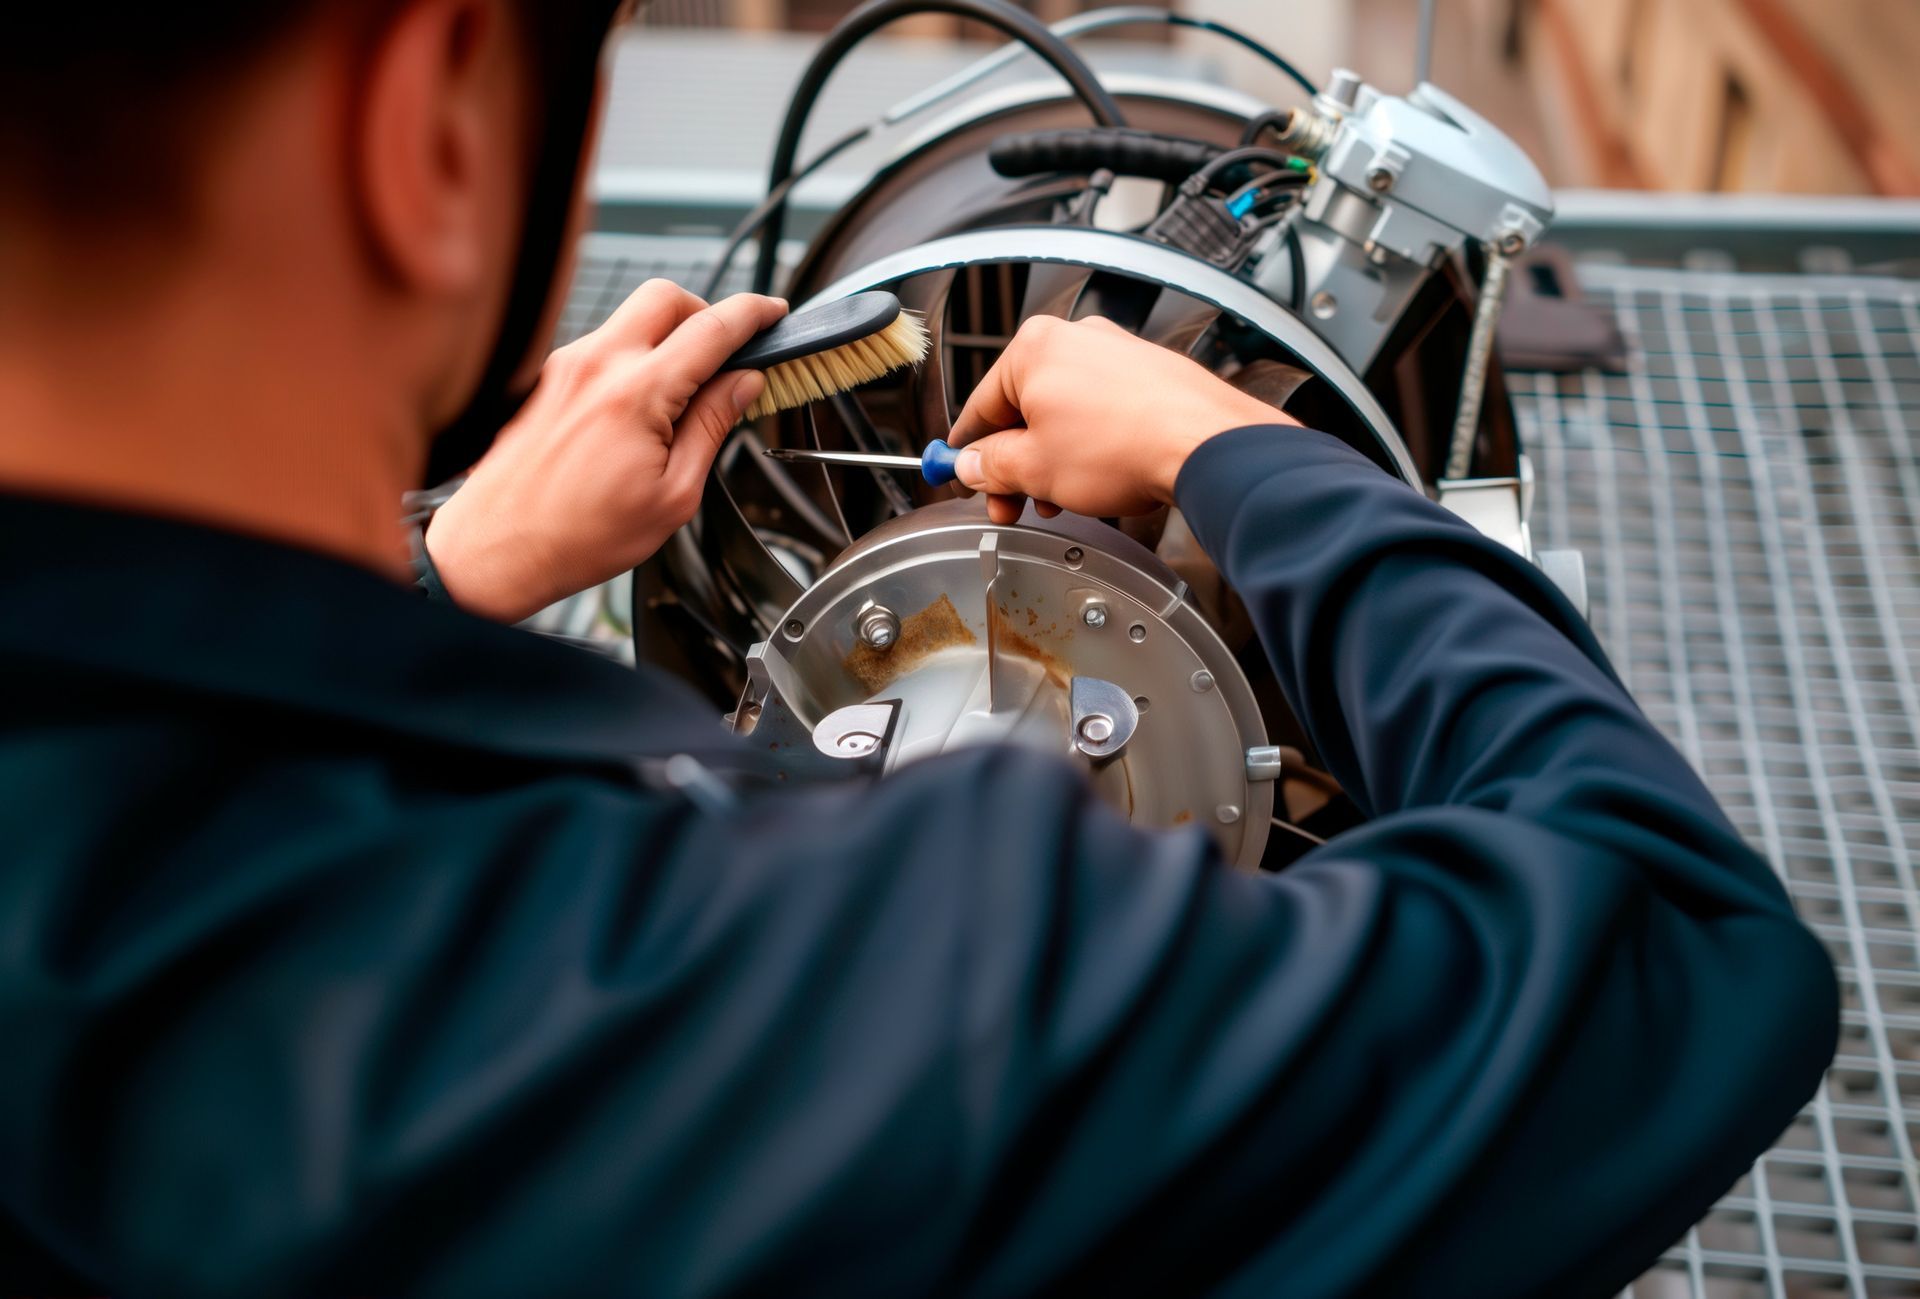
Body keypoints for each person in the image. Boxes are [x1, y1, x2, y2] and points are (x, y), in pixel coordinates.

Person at [0, 1, 1837, 1295]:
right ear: (427, 120)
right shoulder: (808, 1004)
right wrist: (1243, 457)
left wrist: (440, 579)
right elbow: (1679, 944)